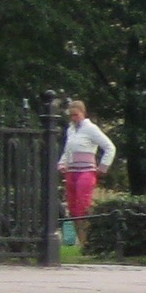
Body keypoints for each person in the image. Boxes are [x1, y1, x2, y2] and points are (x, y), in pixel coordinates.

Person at [56, 100, 116, 241]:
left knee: (83, 206)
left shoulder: (91, 129)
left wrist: (103, 167)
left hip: (86, 171)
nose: (73, 118)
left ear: (83, 113)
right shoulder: (70, 129)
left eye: (76, 115)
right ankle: (81, 241)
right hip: (71, 171)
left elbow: (110, 147)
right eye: (71, 115)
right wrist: (62, 163)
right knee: (72, 208)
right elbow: (68, 150)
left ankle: (88, 240)